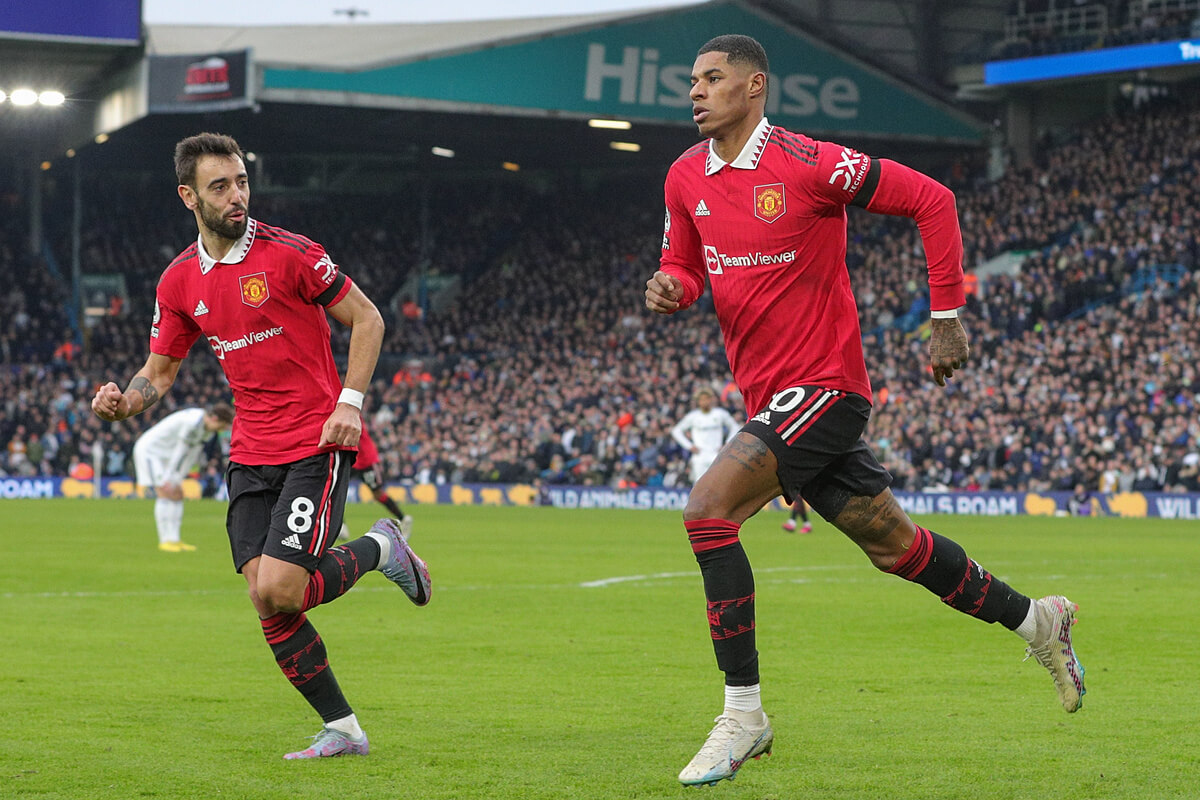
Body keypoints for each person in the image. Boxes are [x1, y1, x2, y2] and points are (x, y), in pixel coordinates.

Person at [645, 35, 1085, 787]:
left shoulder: (810, 163)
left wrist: (946, 313)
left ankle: (743, 716)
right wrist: (672, 287)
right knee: (896, 548)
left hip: (826, 386)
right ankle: (1039, 621)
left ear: (754, 88)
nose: (696, 91)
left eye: (713, 79)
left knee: (707, 512)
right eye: (692, 79)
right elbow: (685, 265)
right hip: (770, 399)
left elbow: (932, 199)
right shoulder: (685, 177)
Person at [91, 132, 432, 760]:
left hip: (315, 442)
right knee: (266, 597)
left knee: (279, 589)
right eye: (220, 186)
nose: (236, 195)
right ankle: (345, 730)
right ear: (188, 196)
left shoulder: (291, 254)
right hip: (249, 453)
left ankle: (382, 546)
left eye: (241, 181)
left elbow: (369, 319)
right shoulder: (178, 281)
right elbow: (159, 372)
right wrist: (125, 402)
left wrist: (349, 407)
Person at [132, 403, 235, 551]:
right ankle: (164, 540)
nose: (221, 430)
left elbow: (192, 454)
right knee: (165, 491)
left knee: (177, 493)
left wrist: (179, 477)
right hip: (151, 452)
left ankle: (174, 539)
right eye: (221, 425)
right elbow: (181, 450)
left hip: (166, 455)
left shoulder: (206, 430)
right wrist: (169, 477)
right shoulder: (192, 423)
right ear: (214, 418)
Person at [338, 421, 413, 542]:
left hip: (367, 461)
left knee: (378, 494)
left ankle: (403, 518)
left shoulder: (351, 411)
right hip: (353, 459)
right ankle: (341, 525)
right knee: (336, 488)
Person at [670, 386, 739, 485]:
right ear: (698, 402)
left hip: (716, 454)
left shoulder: (719, 414)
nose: (704, 402)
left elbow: (735, 427)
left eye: (707, 399)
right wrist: (689, 446)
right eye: (701, 399)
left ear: (711, 400)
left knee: (718, 484)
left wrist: (727, 443)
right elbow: (676, 431)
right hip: (700, 456)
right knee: (699, 485)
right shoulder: (693, 416)